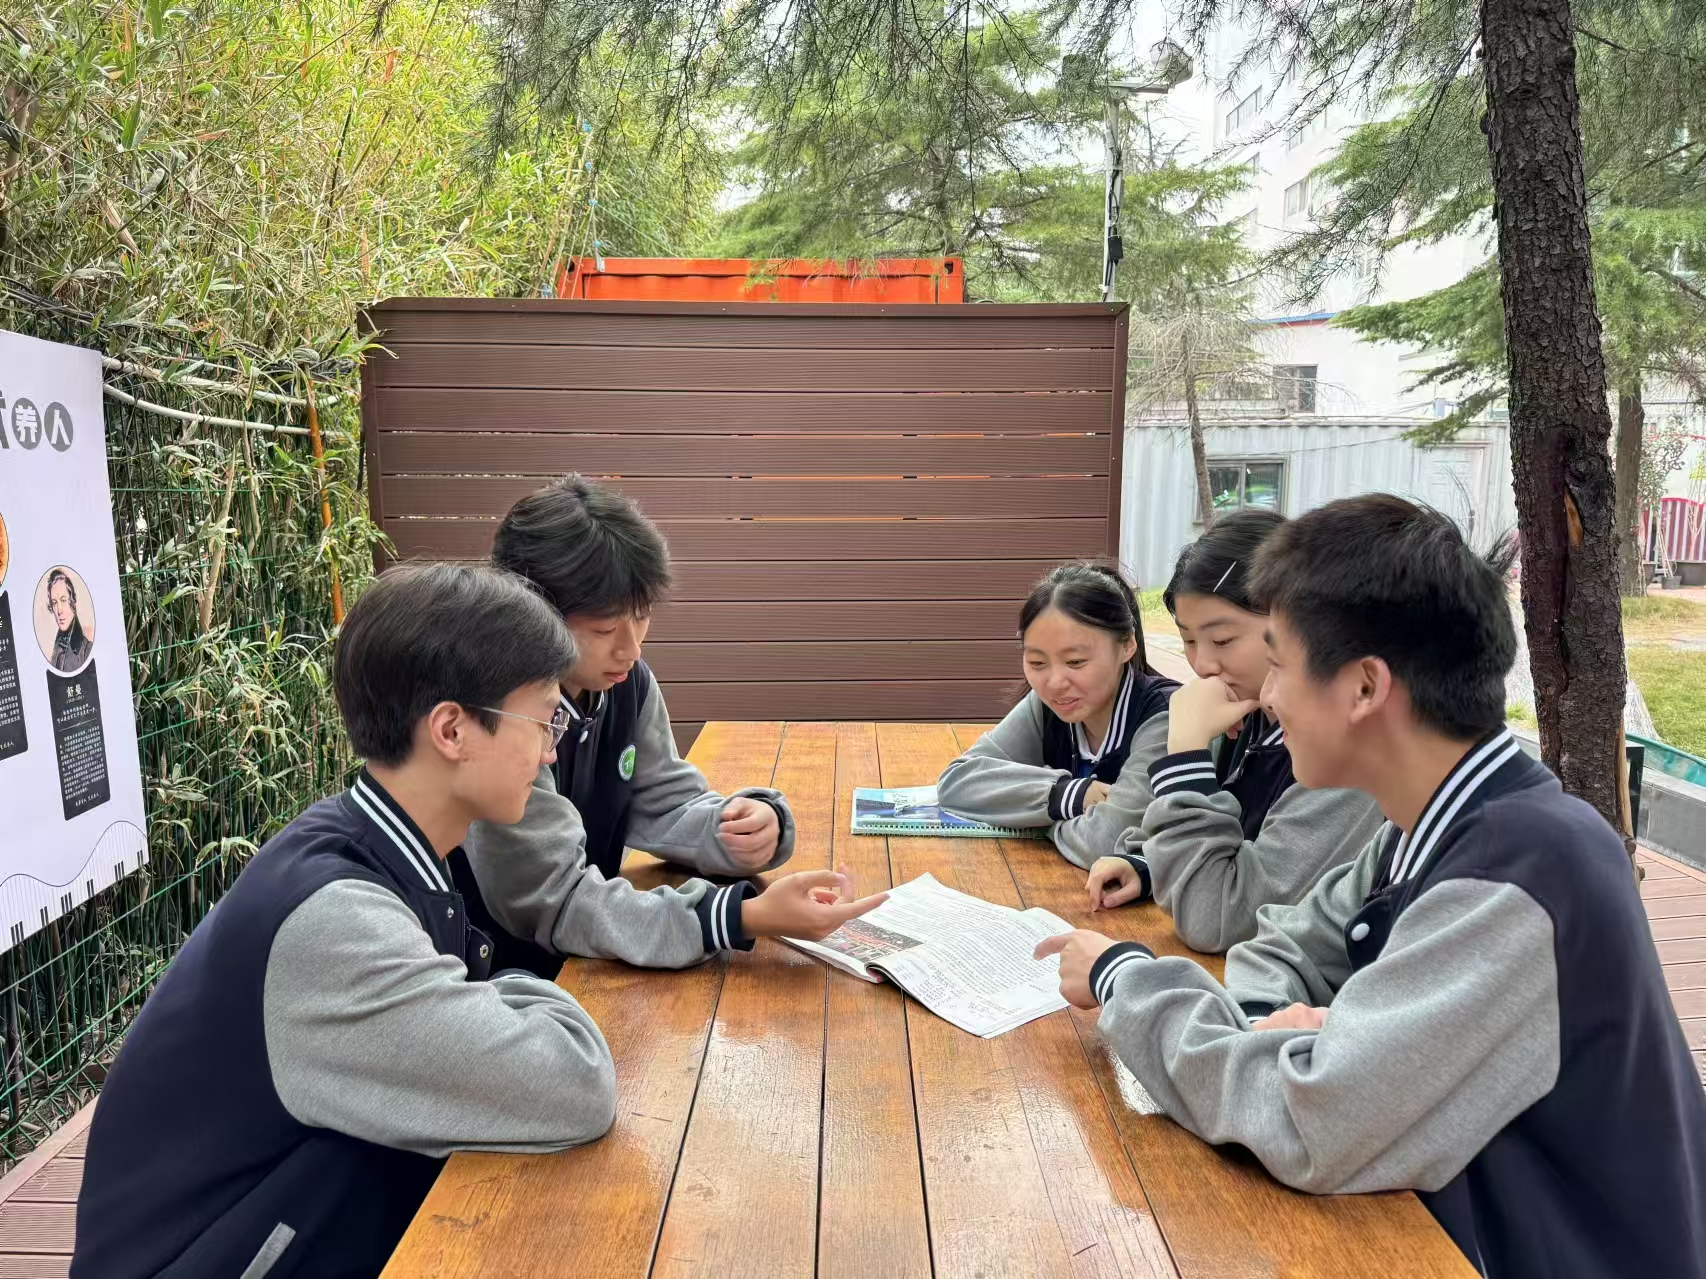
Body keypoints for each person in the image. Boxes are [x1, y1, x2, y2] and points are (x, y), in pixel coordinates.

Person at [73, 564, 884, 1279]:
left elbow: (481, 1001)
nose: (553, 752)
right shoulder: (337, 924)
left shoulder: (376, 845)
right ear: (453, 728)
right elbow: (574, 1082)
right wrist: (517, 990)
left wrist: (490, 992)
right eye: (544, 720)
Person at [1038, 496, 1706, 1278]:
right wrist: (1299, 1038)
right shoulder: (1426, 826)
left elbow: (1309, 1121)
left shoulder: (1521, 873)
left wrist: (1125, 978)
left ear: (1363, 687)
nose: (1266, 695)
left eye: (1279, 663)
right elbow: (1280, 944)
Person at [465, 475, 799, 974]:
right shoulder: (498, 714)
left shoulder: (627, 684)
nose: (632, 649)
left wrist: (746, 827)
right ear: (529, 614)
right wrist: (733, 917)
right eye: (604, 629)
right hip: (498, 981)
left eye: (641, 617)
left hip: (591, 959)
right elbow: (555, 899)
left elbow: (664, 803)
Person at [1082, 510, 1381, 951]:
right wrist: (1147, 865)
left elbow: (1215, 918)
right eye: (1188, 640)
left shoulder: (1347, 753)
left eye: (1222, 640)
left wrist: (1186, 754)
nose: (1202, 665)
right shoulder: (1243, 715)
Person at [936, 562, 1178, 868]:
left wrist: (1034, 821)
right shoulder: (1046, 707)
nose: (1054, 683)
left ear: (1127, 645)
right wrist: (1066, 796)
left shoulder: (1165, 717)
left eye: (1075, 662)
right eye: (1037, 663)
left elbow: (1104, 842)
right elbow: (956, 782)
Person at [46, 568, 93, 672]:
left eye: (63, 600)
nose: (59, 610)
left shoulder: (87, 650)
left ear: (73, 603)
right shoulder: (55, 649)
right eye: (54, 603)